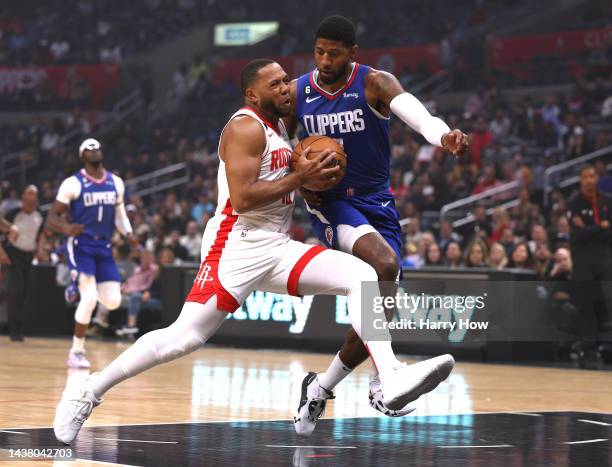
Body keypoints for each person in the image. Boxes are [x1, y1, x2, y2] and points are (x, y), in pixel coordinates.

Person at [53, 60, 454, 445]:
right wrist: (300, 176)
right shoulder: (244, 127)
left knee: (362, 276)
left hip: (276, 246)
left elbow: (294, 178)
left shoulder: (280, 126)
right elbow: (243, 199)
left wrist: (310, 181)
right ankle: (89, 389)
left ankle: (389, 377)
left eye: (285, 80)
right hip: (235, 245)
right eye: (276, 83)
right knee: (183, 339)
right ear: (252, 93)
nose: (285, 87)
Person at [285, 16, 467, 431]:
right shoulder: (298, 93)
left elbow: (417, 116)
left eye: (334, 53)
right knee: (383, 267)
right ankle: (388, 378)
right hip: (330, 204)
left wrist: (443, 137)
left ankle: (320, 387)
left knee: (374, 314)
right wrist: (297, 183)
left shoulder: (376, 83)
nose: (325, 60)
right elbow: (278, 147)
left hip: (379, 203)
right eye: (319, 52)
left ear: (353, 54)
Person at [47, 138, 136, 368]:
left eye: (97, 147)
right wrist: (67, 228)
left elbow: (120, 215)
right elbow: (51, 216)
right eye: (89, 148)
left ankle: (77, 285)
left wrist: (128, 233)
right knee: (89, 298)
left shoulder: (116, 182)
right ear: (82, 156)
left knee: (114, 301)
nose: (95, 150)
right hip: (81, 245)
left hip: (104, 247)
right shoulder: (73, 183)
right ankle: (76, 352)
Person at [567, 164, 612, 368]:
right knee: (586, 307)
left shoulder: (607, 201)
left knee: (607, 304)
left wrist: (590, 229)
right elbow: (578, 234)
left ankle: (607, 347)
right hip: (583, 263)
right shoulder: (574, 203)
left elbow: (608, 232)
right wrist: (600, 228)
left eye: (592, 176)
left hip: (605, 262)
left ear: (597, 178)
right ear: (580, 180)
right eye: (584, 176)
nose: (588, 180)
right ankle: (589, 349)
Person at [1, 186, 45, 341]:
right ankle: (13, 331)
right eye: (30, 193)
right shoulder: (14, 213)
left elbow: (40, 236)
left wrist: (40, 251)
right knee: (15, 290)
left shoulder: (39, 215)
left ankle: (20, 328)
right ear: (23, 196)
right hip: (12, 254)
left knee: (25, 292)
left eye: (35, 194)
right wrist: (2, 253)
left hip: (28, 255)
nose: (33, 196)